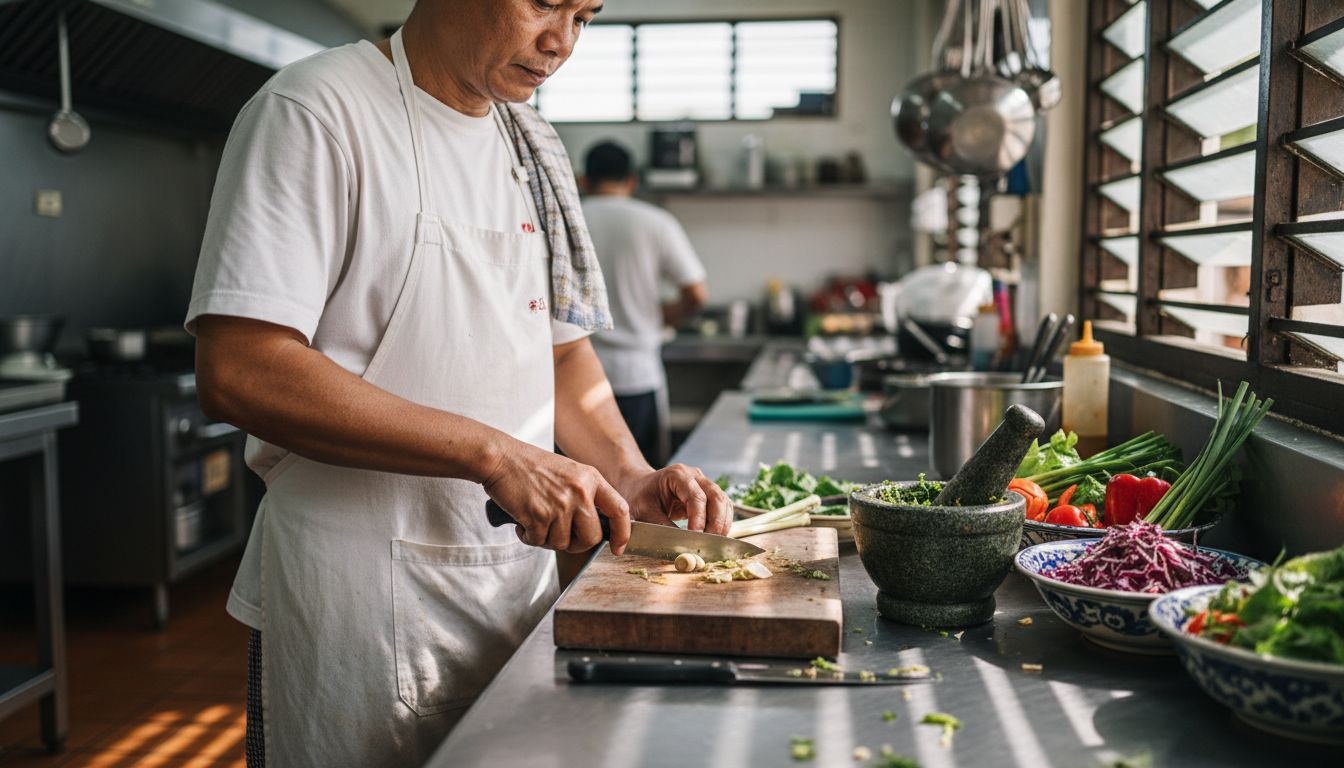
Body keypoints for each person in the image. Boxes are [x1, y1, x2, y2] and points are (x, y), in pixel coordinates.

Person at [184, 1, 732, 765]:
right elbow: (243, 369)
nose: (561, 43)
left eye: (585, 16)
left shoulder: (530, 142)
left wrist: (631, 475)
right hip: (357, 600)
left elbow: (563, 356)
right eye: (545, 3)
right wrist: (498, 456)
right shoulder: (315, 109)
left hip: (512, 588)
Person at [581, 140, 708, 466]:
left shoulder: (568, 218)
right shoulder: (655, 221)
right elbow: (696, 294)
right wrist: (663, 317)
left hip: (575, 377)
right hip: (636, 375)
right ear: (632, 180)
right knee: (642, 488)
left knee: (583, 491)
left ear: (583, 179)